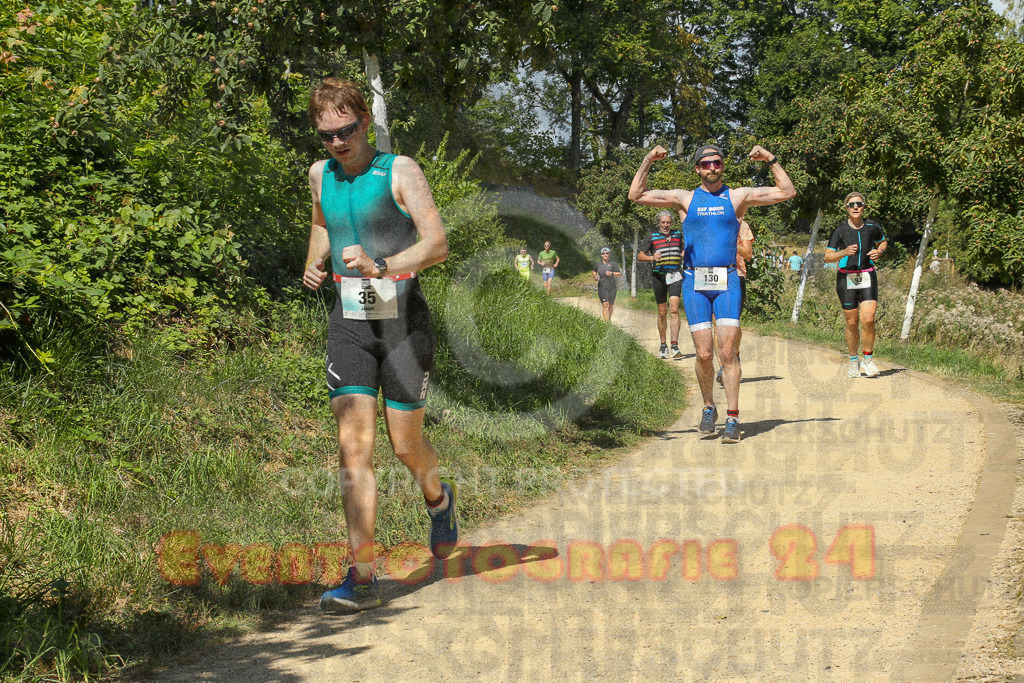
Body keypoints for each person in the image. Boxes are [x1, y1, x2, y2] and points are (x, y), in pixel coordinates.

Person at [302, 79, 457, 612]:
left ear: (365, 122)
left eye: (347, 130)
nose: (339, 142)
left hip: (403, 325)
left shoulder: (400, 171)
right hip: (349, 322)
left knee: (406, 446)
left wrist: (383, 266)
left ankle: (438, 500)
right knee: (354, 447)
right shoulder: (320, 174)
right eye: (327, 135)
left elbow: (437, 245)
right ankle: (363, 576)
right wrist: (314, 258)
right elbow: (323, 223)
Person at [629, 143, 795, 443]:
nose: (712, 168)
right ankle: (708, 407)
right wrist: (647, 160)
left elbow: (786, 191)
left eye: (716, 163)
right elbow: (636, 195)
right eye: (705, 164)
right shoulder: (685, 199)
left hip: (728, 279)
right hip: (694, 282)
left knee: (727, 352)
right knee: (704, 354)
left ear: (722, 166)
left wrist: (770, 158)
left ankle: (733, 417)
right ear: (697, 169)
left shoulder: (737, 197)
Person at [824, 191, 887, 378]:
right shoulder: (840, 230)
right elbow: (828, 257)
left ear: (864, 206)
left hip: (867, 275)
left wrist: (879, 252)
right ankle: (853, 361)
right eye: (851, 204)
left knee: (868, 319)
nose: (855, 207)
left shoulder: (872, 226)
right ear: (846, 208)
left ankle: (868, 359)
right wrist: (843, 252)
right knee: (851, 323)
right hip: (846, 278)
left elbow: (883, 243)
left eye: (859, 204)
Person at [638, 210, 685, 359]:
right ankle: (663, 345)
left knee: (674, 310)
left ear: (672, 223)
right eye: (663, 222)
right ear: (659, 223)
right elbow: (640, 255)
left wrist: (683, 252)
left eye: (668, 222)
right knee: (662, 312)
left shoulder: (678, 234)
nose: (666, 225)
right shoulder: (652, 237)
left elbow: (684, 247)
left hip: (675, 275)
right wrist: (652, 257)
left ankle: (675, 346)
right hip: (659, 276)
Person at [717, 218, 754, 386]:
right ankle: (723, 367)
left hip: (735, 275)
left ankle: (735, 355)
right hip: (712, 274)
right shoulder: (710, 221)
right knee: (717, 324)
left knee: (733, 324)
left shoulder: (742, 225)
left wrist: (730, 243)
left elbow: (748, 254)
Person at [592, 247, 623, 321]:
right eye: (603, 253)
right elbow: (594, 271)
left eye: (607, 253)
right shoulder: (598, 264)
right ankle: (606, 324)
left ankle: (609, 319)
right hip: (602, 286)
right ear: (601, 255)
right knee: (605, 305)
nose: (605, 255)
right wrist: (595, 276)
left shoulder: (613, 264)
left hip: (612, 286)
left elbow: (619, 274)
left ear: (609, 254)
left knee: (610, 306)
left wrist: (611, 273)